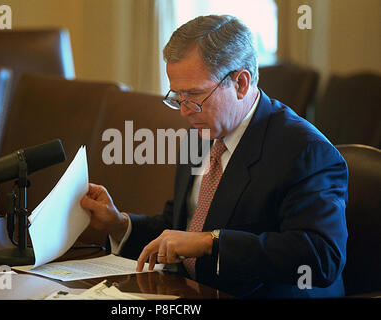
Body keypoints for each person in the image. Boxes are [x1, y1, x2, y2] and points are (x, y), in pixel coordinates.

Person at [80, 15, 348, 298]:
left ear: (241, 83)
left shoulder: (305, 151)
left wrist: (212, 242)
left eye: (195, 95)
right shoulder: (201, 134)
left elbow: (321, 257)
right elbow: (181, 226)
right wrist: (120, 225)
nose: (184, 111)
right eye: (177, 97)